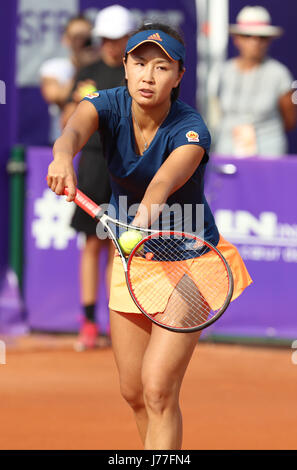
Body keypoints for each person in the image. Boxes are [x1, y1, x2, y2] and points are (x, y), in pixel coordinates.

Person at [47, 23, 252, 450]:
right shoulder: (107, 104)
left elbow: (161, 185)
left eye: (162, 67)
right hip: (135, 261)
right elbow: (73, 129)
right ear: (124, 66)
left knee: (158, 388)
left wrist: (144, 213)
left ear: (178, 76)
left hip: (193, 263)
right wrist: (64, 155)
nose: (148, 76)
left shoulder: (191, 129)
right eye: (139, 63)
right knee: (134, 392)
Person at [61, 5, 136, 351]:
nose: (110, 45)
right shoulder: (87, 72)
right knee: (92, 244)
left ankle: (113, 322)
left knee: (117, 246)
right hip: (91, 165)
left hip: (124, 165)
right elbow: (68, 118)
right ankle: (89, 321)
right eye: (105, 38)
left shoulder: (135, 74)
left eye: (117, 38)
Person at [212, 6, 297, 158]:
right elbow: (217, 113)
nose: (255, 42)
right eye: (248, 35)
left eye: (262, 37)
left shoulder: (279, 74)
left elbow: (290, 120)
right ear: (237, 39)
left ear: (269, 41)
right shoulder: (225, 71)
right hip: (227, 150)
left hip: (268, 154)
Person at [39, 14, 98, 144]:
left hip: (98, 142)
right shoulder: (53, 67)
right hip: (64, 140)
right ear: (66, 39)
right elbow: (56, 97)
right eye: (76, 37)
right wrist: (81, 68)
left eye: (86, 37)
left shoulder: (102, 66)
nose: (81, 42)